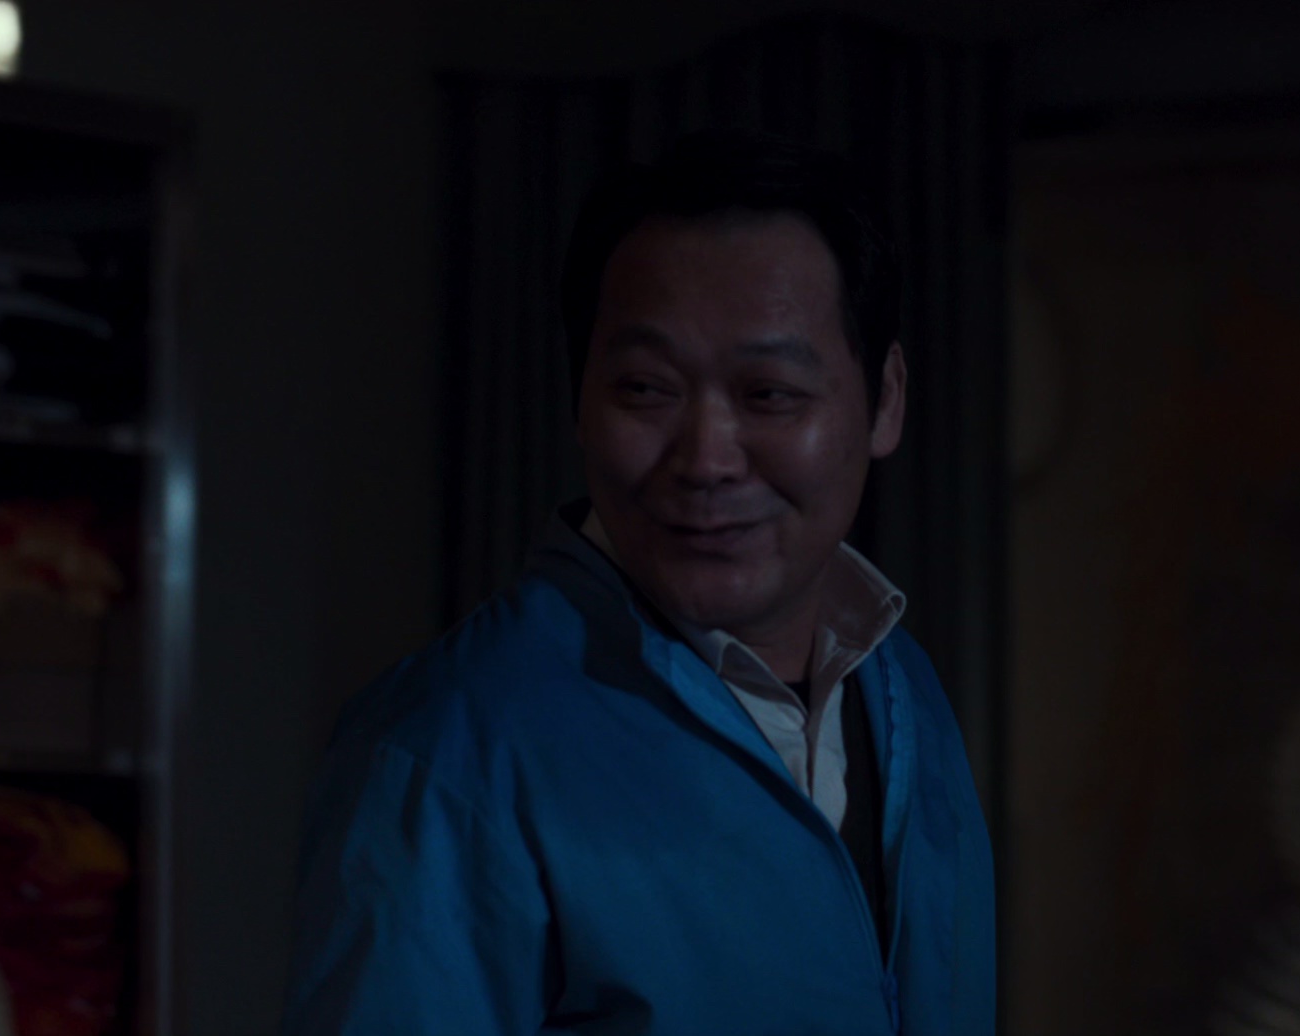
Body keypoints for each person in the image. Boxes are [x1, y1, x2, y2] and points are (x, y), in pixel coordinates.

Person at [281, 130, 994, 1036]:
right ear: (579, 396)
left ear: (885, 399)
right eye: (647, 389)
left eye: (769, 394)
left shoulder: (907, 693)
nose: (706, 459)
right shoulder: (448, 752)